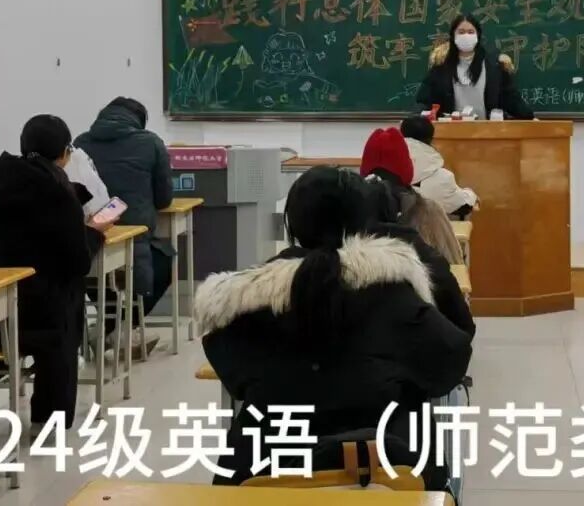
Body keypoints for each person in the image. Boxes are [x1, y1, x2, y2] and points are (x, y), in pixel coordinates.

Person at [195, 166, 472, 490]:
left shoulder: (249, 301)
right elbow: (450, 362)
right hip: (387, 478)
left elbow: (231, 370)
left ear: (292, 225)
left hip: (270, 479)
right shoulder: (394, 292)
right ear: (364, 224)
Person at [0, 115, 108, 428]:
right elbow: (78, 262)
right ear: (65, 152)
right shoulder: (60, 194)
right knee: (69, 302)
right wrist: (94, 233)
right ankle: (51, 417)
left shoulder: (2, 182)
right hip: (40, 318)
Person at [75, 97, 173, 351]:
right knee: (164, 261)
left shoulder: (81, 143)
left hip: (90, 238)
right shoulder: (151, 143)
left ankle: (110, 327)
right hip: (134, 235)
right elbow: (164, 199)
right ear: (139, 120)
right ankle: (123, 327)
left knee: (99, 275)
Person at [360, 128, 474, 335]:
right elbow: (453, 269)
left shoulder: (346, 214)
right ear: (406, 168)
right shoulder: (429, 212)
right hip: (421, 331)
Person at [416, 13, 534, 120]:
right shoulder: (441, 67)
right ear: (453, 36)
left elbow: (512, 100)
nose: (466, 36)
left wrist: (530, 117)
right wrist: (418, 116)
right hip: (451, 131)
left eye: (471, 32)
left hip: (489, 131)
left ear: (478, 35)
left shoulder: (494, 66)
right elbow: (423, 102)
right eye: (461, 32)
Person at [400, 115, 478, 218]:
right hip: (428, 226)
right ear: (431, 139)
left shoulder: (383, 173)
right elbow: (462, 206)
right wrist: (470, 194)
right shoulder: (442, 178)